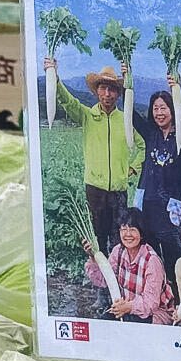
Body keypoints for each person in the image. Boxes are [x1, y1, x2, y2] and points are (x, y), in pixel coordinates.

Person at [43, 54, 134, 255]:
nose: (107, 94)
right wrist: (54, 78)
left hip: (119, 192)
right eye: (103, 88)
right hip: (95, 190)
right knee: (98, 239)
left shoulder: (126, 120)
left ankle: (118, 271)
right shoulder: (88, 116)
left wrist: (134, 167)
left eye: (112, 89)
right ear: (96, 91)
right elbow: (68, 102)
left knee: (119, 238)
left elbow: (143, 145)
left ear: (118, 93)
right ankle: (100, 273)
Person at [130, 82, 181, 293]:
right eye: (155, 108)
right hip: (148, 201)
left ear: (172, 110)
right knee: (149, 250)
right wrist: (126, 86)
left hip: (171, 204)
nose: (159, 113)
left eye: (163, 108)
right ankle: (155, 294)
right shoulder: (151, 133)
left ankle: (175, 294)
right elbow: (131, 115)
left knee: (172, 250)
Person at [107, 218, 174, 324]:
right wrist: (93, 257)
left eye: (133, 229)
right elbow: (103, 281)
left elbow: (151, 303)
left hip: (154, 313)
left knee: (130, 323)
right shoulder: (118, 251)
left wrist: (129, 307)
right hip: (126, 307)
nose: (128, 234)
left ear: (141, 234)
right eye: (124, 229)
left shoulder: (151, 260)